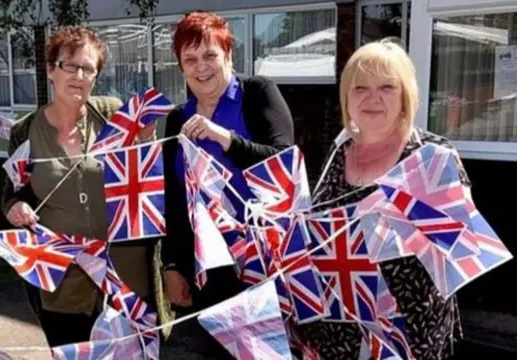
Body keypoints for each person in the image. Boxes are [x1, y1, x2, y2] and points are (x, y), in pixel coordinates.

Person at [298, 38, 468, 359]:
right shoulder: (337, 152)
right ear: (346, 98)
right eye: (360, 88)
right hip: (336, 332)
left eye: (387, 87)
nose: (372, 98)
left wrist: (401, 222)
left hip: (407, 334)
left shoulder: (432, 157)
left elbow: (460, 248)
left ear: (405, 97)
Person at [0, 25, 163, 347]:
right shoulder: (25, 132)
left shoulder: (113, 115)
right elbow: (11, 192)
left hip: (124, 276)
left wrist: (148, 139)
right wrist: (15, 208)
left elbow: (146, 173)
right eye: (69, 65)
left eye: (88, 68)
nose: (78, 75)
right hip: (64, 282)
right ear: (51, 69)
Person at [160, 11, 295, 357]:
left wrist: (227, 140)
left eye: (210, 55)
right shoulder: (178, 118)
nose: (201, 67)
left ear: (229, 56)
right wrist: (172, 265)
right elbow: (175, 199)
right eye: (190, 59)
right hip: (205, 270)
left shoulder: (258, 94)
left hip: (262, 267)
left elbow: (284, 162)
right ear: (181, 67)